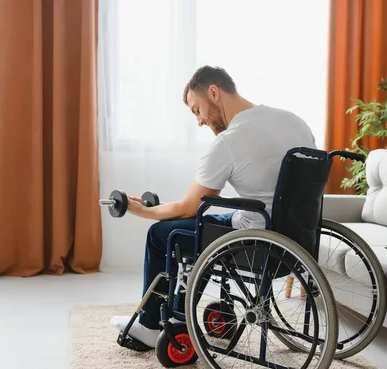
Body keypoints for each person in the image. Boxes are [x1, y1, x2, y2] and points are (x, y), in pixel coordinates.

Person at [110, 65, 317, 349]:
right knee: (215, 220)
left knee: (163, 234)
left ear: (213, 92)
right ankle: (182, 307)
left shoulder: (229, 142)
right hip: (298, 239)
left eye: (197, 110)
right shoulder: (294, 122)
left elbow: (188, 208)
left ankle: (149, 325)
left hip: (257, 244)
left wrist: (142, 211)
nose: (199, 121)